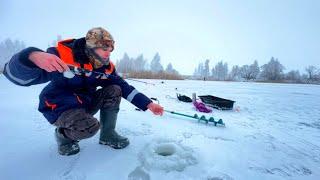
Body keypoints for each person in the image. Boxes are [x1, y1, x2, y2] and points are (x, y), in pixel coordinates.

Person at [3, 27, 164, 156]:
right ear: (92, 46)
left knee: (114, 89)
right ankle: (63, 137)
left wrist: (148, 104)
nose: (109, 52)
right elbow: (15, 76)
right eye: (104, 47)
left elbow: (124, 87)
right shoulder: (61, 57)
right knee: (89, 128)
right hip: (59, 107)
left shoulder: (105, 68)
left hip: (85, 103)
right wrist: (31, 56)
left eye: (111, 48)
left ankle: (108, 134)